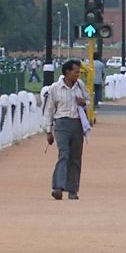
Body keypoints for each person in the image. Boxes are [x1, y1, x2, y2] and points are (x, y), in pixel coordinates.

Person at [42, 59, 90, 200]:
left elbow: (88, 101)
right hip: (62, 124)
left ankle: (73, 189)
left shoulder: (80, 86)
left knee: (75, 157)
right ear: (67, 72)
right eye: (75, 72)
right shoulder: (55, 88)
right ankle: (58, 187)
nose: (77, 75)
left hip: (77, 124)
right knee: (64, 154)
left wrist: (84, 103)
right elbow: (49, 109)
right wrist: (48, 130)